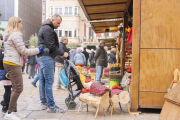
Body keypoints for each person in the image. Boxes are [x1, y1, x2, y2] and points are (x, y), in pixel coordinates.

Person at [3, 16, 43, 120]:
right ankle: (10, 112)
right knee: (19, 88)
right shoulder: (16, 35)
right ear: (15, 24)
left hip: (9, 62)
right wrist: (38, 50)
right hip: (13, 63)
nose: (22, 25)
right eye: (20, 23)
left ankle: (13, 111)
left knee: (15, 88)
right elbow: (24, 51)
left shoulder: (8, 35)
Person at [37, 14, 68, 113]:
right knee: (49, 82)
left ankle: (44, 103)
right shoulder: (48, 29)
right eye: (58, 23)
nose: (58, 25)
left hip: (42, 56)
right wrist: (63, 53)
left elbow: (49, 45)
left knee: (43, 80)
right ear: (52, 20)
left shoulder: (45, 27)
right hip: (46, 57)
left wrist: (59, 54)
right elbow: (51, 45)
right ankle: (51, 105)